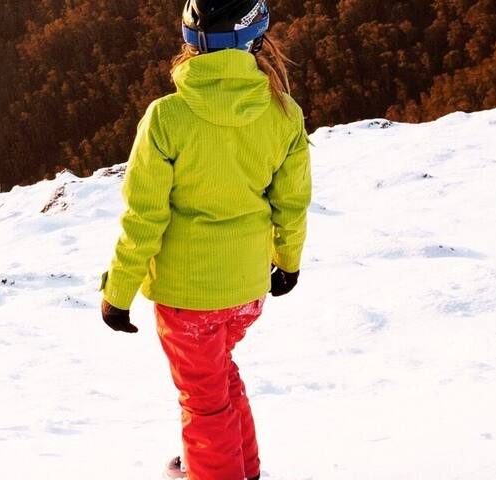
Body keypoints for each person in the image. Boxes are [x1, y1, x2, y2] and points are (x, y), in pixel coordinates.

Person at [95, 0, 311, 478]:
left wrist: (117, 293)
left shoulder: (168, 117)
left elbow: (143, 218)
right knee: (221, 375)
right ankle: (241, 468)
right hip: (248, 289)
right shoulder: (283, 113)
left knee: (203, 399)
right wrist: (288, 263)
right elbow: (290, 204)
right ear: (256, 40)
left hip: (187, 295)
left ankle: (215, 472)